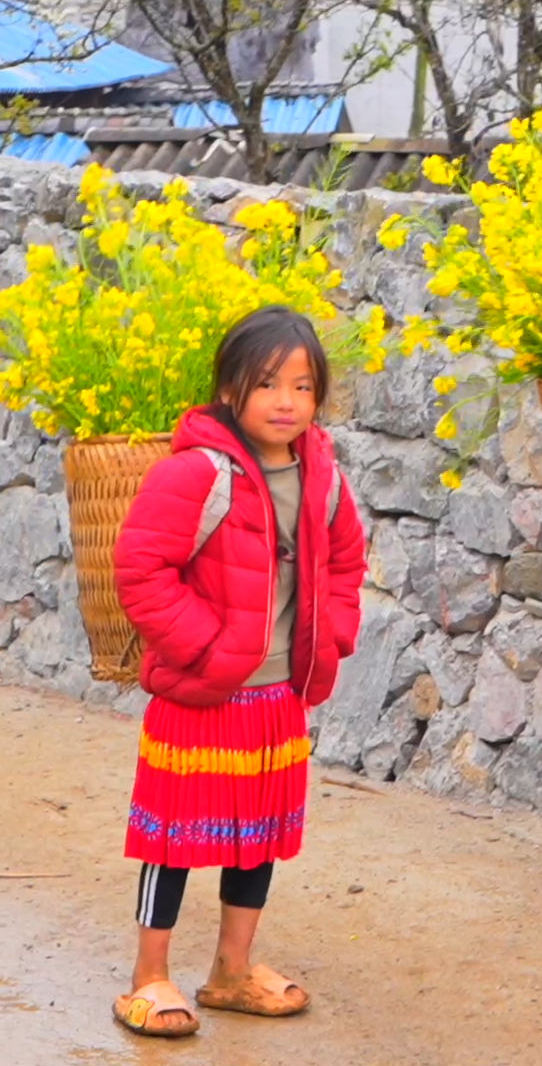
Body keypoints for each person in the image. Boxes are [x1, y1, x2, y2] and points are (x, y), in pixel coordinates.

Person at [111, 305, 367, 1037]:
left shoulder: (323, 479)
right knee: (174, 836)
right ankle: (148, 977)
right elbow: (141, 569)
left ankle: (231, 970)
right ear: (229, 390)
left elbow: (347, 561)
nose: (286, 401)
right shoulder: (196, 473)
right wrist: (206, 646)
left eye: (303, 386)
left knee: (259, 834)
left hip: (278, 697)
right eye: (266, 384)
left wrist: (331, 635)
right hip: (201, 694)